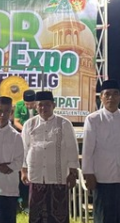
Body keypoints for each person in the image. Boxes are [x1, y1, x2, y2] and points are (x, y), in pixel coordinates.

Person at [82, 80, 120, 223]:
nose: (111, 97)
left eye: (115, 94)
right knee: (102, 216)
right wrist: (88, 173)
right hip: (101, 176)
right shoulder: (93, 119)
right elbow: (88, 148)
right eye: (107, 94)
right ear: (101, 97)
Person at [21, 91, 79, 223]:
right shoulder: (29, 124)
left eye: (47, 104)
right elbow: (24, 148)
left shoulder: (64, 123)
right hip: (36, 175)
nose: (43, 108)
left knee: (59, 214)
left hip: (58, 176)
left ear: (53, 105)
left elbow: (72, 148)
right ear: (36, 106)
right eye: (40, 105)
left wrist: (73, 173)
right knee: (36, 214)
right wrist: (23, 170)